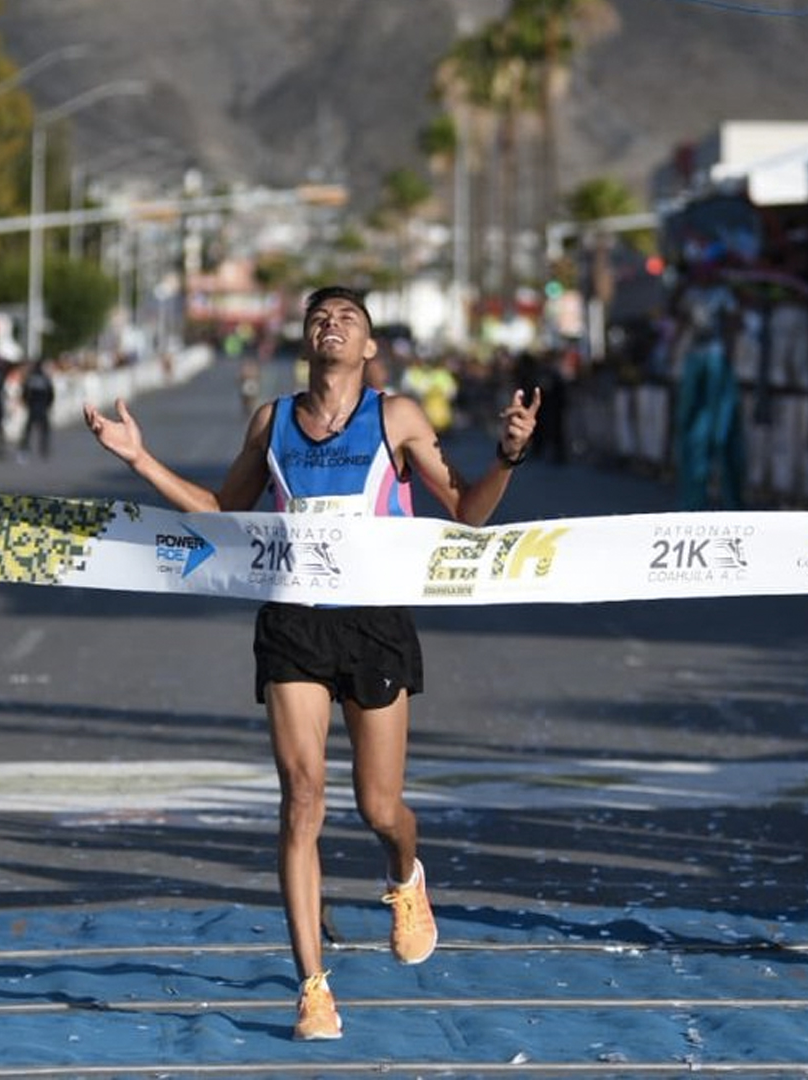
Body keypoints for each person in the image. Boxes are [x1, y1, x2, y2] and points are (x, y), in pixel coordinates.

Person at [84, 285, 539, 1040]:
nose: (332, 325)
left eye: (348, 319)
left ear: (369, 349)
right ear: (305, 341)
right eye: (319, 318)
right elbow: (222, 513)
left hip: (375, 624)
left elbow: (466, 510)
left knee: (379, 808)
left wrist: (509, 453)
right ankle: (313, 987)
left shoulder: (396, 417)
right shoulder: (272, 422)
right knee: (301, 799)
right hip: (293, 622)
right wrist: (140, 460)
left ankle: (404, 875)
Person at [21, 358, 56, 459]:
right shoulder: (45, 378)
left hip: (32, 407)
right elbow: (51, 394)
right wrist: (48, 405)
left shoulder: (30, 378)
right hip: (42, 407)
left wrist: (27, 404)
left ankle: (25, 447)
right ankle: (43, 449)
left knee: (28, 429)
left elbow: (24, 392)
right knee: (44, 430)